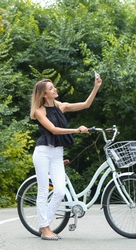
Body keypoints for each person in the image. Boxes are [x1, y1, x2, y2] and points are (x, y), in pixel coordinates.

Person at [30, 74, 102, 240]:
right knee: (42, 191)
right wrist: (76, 130)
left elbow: (86, 104)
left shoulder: (60, 106)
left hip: (57, 153)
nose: (55, 89)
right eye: (51, 88)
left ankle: (44, 224)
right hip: (43, 152)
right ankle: (45, 228)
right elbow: (53, 130)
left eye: (53, 86)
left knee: (60, 191)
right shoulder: (39, 111)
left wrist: (96, 87)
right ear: (43, 94)